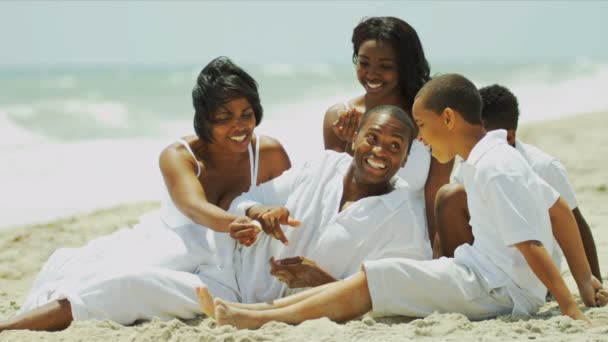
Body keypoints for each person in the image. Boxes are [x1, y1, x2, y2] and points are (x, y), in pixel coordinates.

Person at [199, 74, 606, 330]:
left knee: (380, 277)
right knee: (377, 275)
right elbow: (559, 213)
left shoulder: (494, 167)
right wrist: (586, 284)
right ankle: (259, 312)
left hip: (499, 290)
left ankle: (258, 318)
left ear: (448, 119)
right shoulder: (494, 157)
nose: (423, 140)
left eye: (423, 128)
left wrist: (570, 307)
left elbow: (530, 244)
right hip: (479, 273)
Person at [0, 56, 291, 332]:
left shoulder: (268, 153)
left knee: (128, 287)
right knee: (101, 281)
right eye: (224, 117)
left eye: (247, 114)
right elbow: (193, 208)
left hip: (228, 264)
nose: (239, 126)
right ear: (205, 120)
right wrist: (232, 224)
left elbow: (294, 200)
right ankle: (10, 329)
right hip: (172, 245)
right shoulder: (179, 155)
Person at [221, 104, 431, 307]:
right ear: (355, 138)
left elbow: (392, 300)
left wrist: (318, 281)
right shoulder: (322, 165)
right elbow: (242, 201)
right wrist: (261, 213)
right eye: (372, 138)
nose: (379, 151)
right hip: (231, 276)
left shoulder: (405, 219)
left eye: (395, 145)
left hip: (289, 314)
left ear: (405, 159)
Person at [434, 85, 601, 282]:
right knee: (450, 196)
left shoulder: (543, 166)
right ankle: (462, 278)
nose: (473, 143)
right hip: (487, 265)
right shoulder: (468, 164)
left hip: (537, 274)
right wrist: (437, 266)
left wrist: (594, 280)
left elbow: (576, 223)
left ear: (509, 136)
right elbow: (446, 224)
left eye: (481, 137)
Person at [322, 16, 452, 247]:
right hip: (351, 243)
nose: (371, 74)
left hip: (409, 243)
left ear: (405, 67)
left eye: (385, 66)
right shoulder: (339, 117)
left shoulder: (430, 121)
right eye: (363, 63)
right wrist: (346, 145)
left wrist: (437, 259)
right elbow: (333, 194)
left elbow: (436, 198)